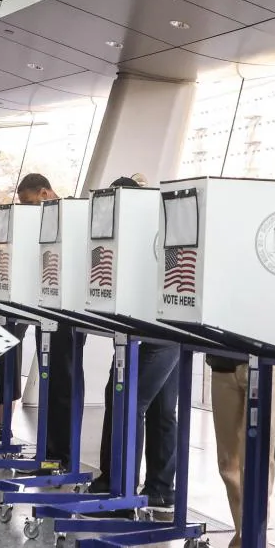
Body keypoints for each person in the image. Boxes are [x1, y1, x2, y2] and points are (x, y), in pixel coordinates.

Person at [89, 176, 181, 515]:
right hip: (159, 332)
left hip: (152, 335)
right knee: (157, 412)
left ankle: (122, 489)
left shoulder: (130, 231)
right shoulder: (160, 226)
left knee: (128, 403)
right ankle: (157, 490)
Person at [17, 173, 76, 468]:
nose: (27, 209)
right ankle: (50, 450)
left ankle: (64, 453)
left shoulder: (69, 219)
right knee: (48, 381)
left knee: (64, 383)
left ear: (44, 193)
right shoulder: (42, 223)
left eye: (28, 202)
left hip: (66, 314)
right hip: (45, 311)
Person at [206, 355, 275, 548]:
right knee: (227, 461)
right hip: (223, 364)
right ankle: (243, 538)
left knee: (258, 459)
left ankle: (256, 542)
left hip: (266, 363)